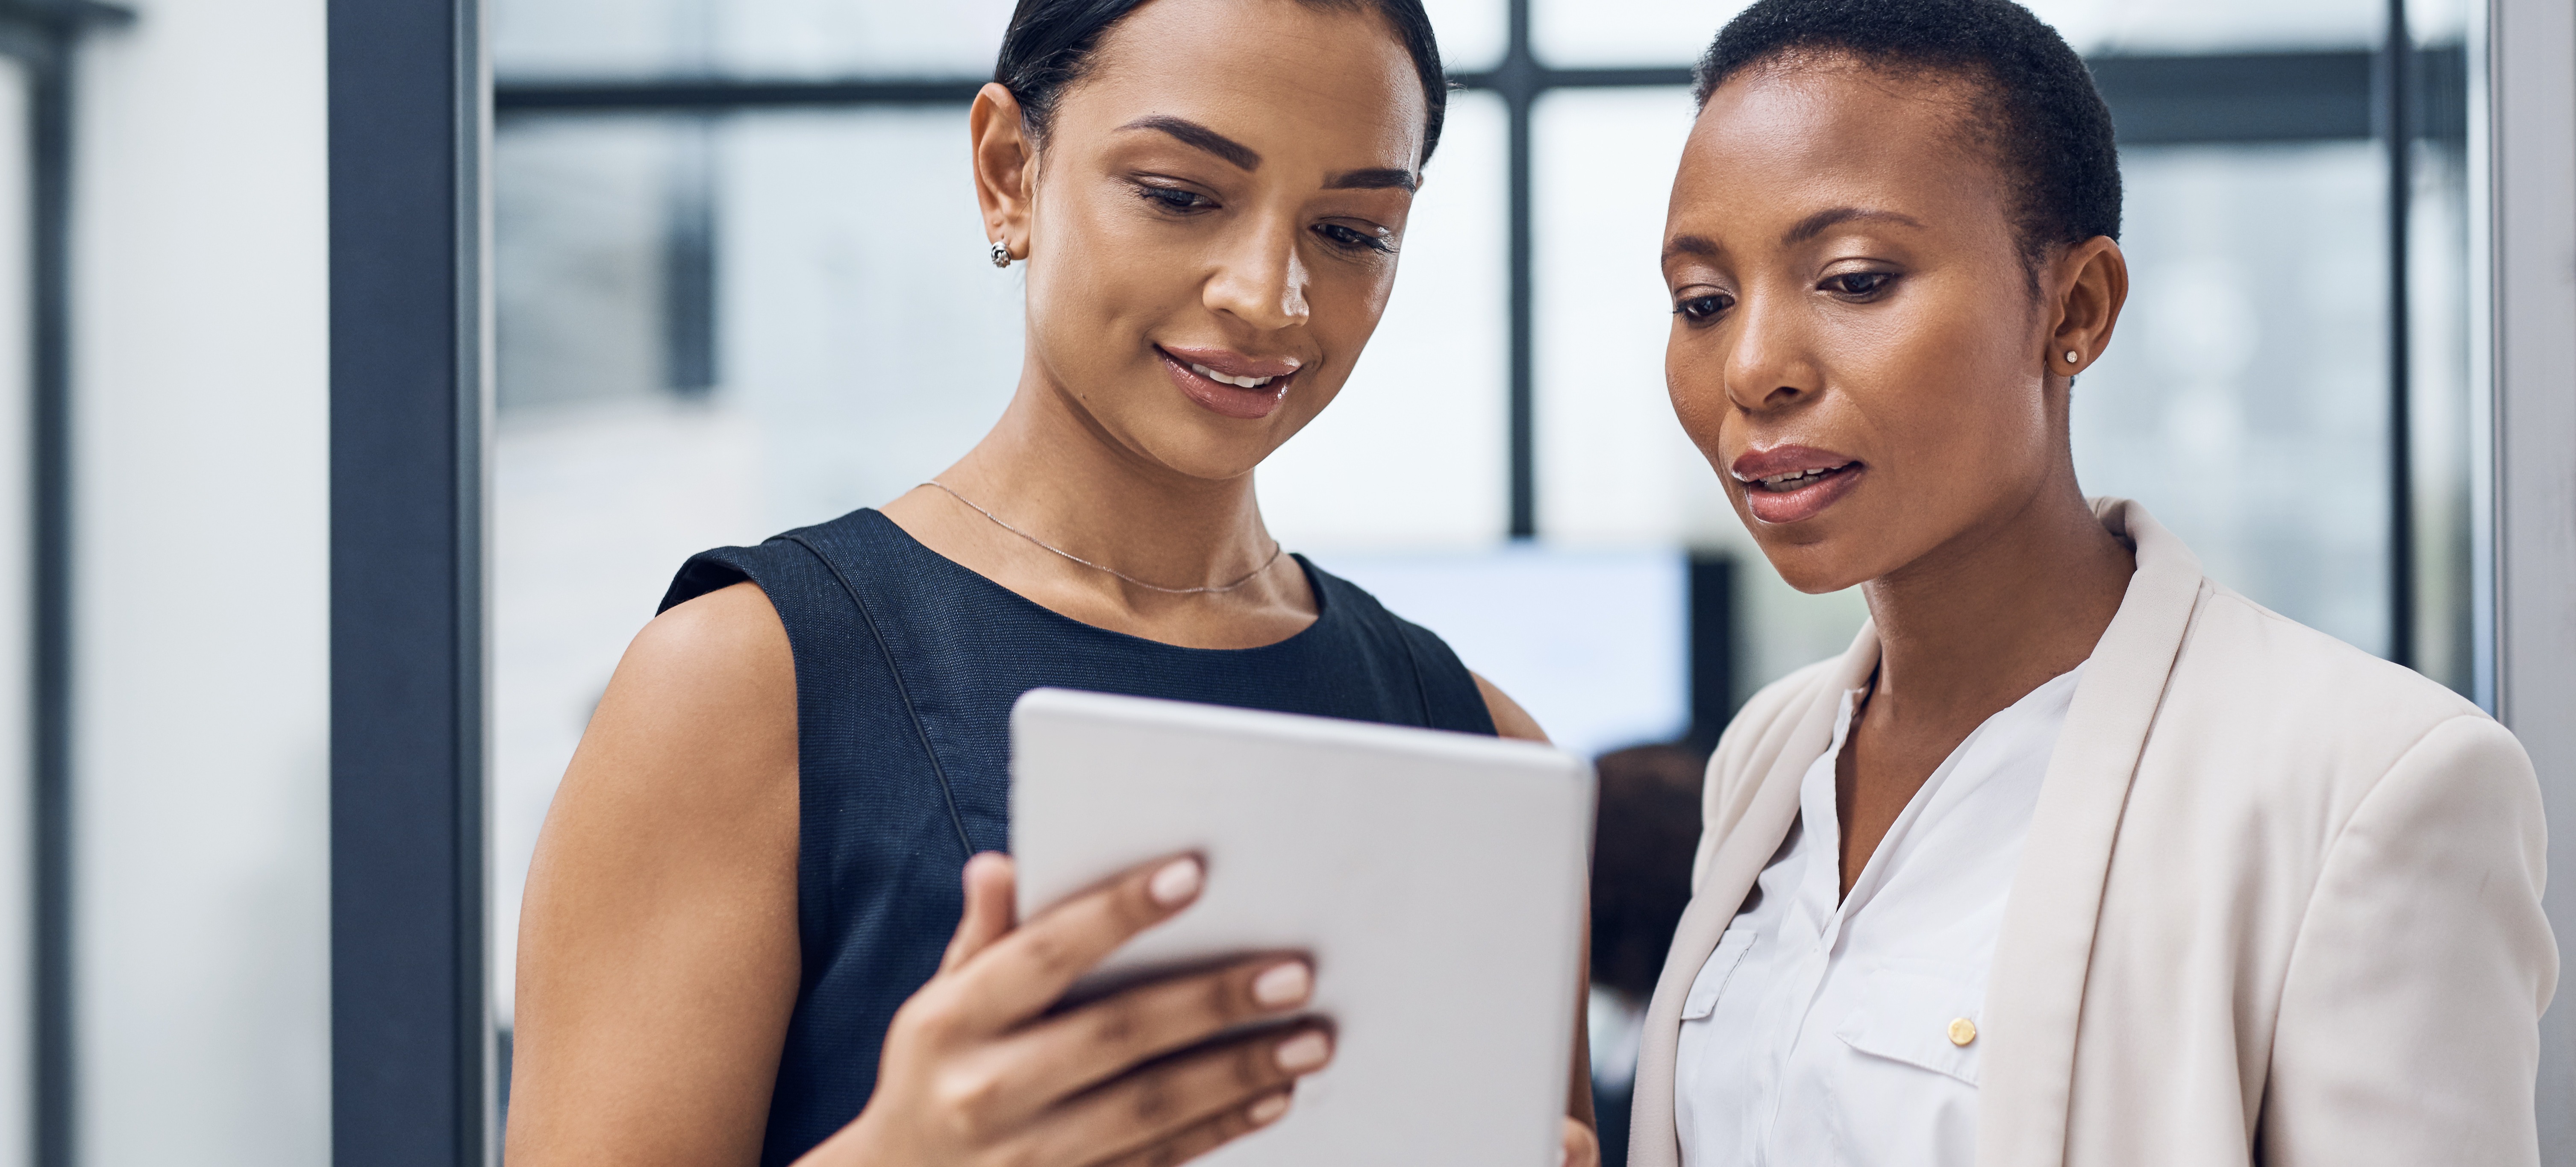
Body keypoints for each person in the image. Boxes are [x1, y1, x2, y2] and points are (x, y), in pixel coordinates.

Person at [502, 1, 1599, 1165]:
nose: (1268, 294)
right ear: (1007, 170)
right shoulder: (742, 684)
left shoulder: (1481, 750)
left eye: (1351, 231)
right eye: (1180, 195)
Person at [1626, 1, 2555, 1165]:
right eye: (1702, 301)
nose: (1752, 367)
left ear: (2073, 308)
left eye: (1854, 279)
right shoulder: (1770, 756)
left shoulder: (2365, 784)